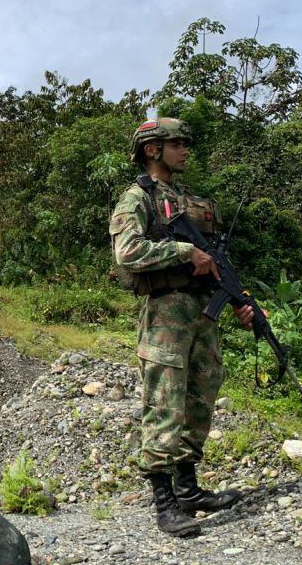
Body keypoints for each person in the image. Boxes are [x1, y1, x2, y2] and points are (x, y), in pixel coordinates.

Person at [109, 117, 255, 537]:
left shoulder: (189, 199)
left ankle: (188, 488)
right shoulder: (139, 198)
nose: (185, 149)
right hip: (167, 314)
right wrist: (183, 251)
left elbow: (215, 265)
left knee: (200, 393)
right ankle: (164, 502)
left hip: (202, 313)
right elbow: (127, 251)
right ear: (153, 149)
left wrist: (240, 304)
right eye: (177, 143)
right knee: (164, 402)